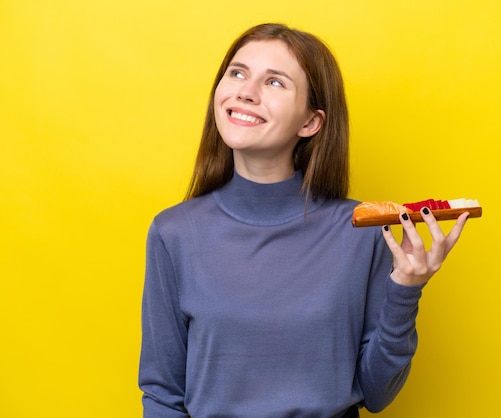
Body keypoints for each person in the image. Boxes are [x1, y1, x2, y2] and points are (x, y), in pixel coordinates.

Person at [138, 23, 469, 418]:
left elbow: (377, 393)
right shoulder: (173, 233)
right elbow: (162, 394)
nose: (246, 91)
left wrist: (406, 289)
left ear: (310, 123)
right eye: (238, 72)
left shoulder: (361, 229)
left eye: (275, 82)